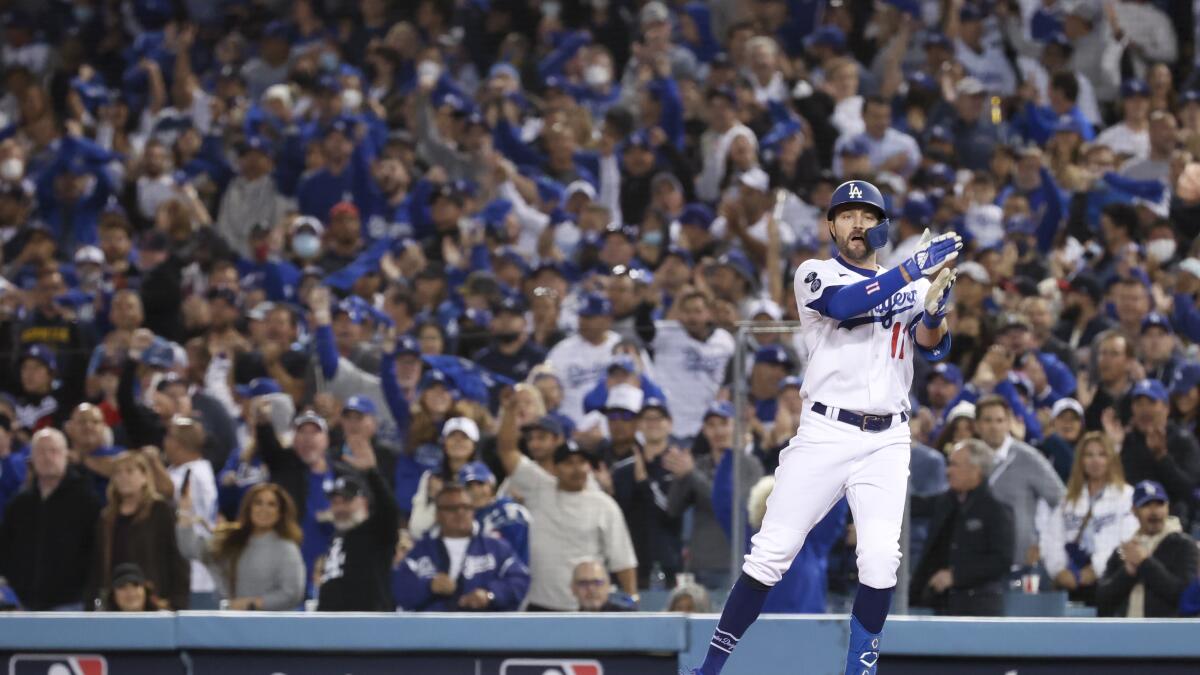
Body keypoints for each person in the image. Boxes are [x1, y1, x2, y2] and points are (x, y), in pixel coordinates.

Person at [688, 180, 962, 675]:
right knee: (770, 555)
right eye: (847, 215)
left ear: (881, 226)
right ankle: (709, 668)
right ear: (831, 226)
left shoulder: (913, 282)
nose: (858, 223)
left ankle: (860, 672)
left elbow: (933, 348)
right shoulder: (814, 273)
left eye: (868, 215)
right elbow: (843, 306)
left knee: (880, 559)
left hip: (888, 437)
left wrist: (936, 310)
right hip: (825, 432)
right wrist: (910, 271)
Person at [494, 390, 638, 611]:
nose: (577, 468)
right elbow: (507, 449)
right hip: (540, 604)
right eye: (569, 463)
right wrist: (511, 409)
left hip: (589, 607)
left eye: (582, 462)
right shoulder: (538, 486)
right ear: (556, 467)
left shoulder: (604, 504)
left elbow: (623, 560)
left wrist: (633, 604)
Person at [910, 440, 1016, 616]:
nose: (947, 471)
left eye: (954, 465)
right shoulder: (946, 502)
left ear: (976, 470)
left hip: (981, 609)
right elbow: (914, 506)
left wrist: (956, 576)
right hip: (943, 605)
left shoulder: (996, 510)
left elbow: (1002, 560)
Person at [0, 428, 100, 610]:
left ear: (65, 455)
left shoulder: (86, 501)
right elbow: (7, 550)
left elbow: (96, 552)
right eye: (40, 452)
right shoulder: (19, 504)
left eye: (53, 451)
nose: (47, 457)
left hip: (71, 602)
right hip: (25, 603)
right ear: (32, 459)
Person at [666, 401, 764, 586]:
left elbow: (736, 507)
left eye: (724, 423)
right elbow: (673, 508)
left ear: (736, 427)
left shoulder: (750, 465)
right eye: (711, 425)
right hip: (697, 565)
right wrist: (680, 477)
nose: (718, 431)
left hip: (732, 564)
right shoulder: (699, 464)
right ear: (704, 430)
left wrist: (691, 474)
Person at [392, 484, 530, 612]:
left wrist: (489, 594)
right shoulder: (421, 551)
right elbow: (399, 588)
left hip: (485, 631)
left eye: (466, 507)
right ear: (438, 514)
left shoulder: (496, 547)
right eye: (452, 508)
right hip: (434, 632)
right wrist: (429, 586)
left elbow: (520, 580)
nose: (460, 513)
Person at [175, 483, 306, 611]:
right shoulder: (229, 541)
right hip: (230, 624)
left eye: (271, 504)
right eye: (258, 503)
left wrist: (252, 604)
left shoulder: (287, 549)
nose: (263, 509)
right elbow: (189, 548)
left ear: (280, 513)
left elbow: (292, 593)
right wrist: (185, 511)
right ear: (248, 508)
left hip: (271, 626)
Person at [86, 450, 190, 610]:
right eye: (118, 473)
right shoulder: (107, 517)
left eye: (130, 471)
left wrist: (177, 602)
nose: (123, 477)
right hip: (114, 603)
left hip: (155, 600)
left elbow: (177, 556)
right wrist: (93, 603)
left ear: (144, 477)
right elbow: (98, 565)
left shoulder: (160, 511)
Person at [1040, 432, 1136, 605]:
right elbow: (1052, 539)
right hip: (1072, 584)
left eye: (1102, 454)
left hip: (1111, 582)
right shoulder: (1068, 500)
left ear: (1111, 460)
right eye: (1089, 455)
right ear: (1080, 461)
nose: (1095, 461)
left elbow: (1127, 540)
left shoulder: (1126, 496)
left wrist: (1095, 569)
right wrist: (1060, 571)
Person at [973, 395, 1065, 568]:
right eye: (988, 420)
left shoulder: (1028, 458)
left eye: (1000, 420)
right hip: (979, 563)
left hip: (1020, 561)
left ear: (1009, 423)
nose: (994, 427)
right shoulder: (969, 458)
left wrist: (1044, 544)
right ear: (977, 425)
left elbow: (1061, 501)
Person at [314, 440, 399, 612]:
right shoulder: (336, 537)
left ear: (364, 502)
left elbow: (389, 512)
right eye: (335, 502)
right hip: (331, 628)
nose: (340, 508)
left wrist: (372, 473)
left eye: (346, 501)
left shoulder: (376, 532)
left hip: (368, 628)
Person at [1097, 480, 1199, 617]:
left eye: (1159, 504)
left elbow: (1184, 596)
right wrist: (1127, 572)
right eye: (1146, 505)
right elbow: (1102, 598)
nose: (1154, 512)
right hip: (1125, 634)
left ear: (1167, 507)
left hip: (1166, 634)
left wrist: (1145, 563)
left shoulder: (1184, 546)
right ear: (1134, 510)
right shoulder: (1124, 550)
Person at [1116, 379, 1200, 531]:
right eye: (1139, 404)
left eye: (1151, 403)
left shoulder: (1183, 440)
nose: (1144, 409)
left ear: (1166, 408)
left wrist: (1162, 457)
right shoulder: (1127, 440)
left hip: (1174, 524)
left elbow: (1189, 491)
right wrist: (1115, 448)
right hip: (1130, 523)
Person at [458, 461, 531, 564]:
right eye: (468, 486)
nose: (475, 491)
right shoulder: (459, 519)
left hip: (511, 574)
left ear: (491, 484)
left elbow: (517, 554)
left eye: (480, 484)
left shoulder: (508, 511)